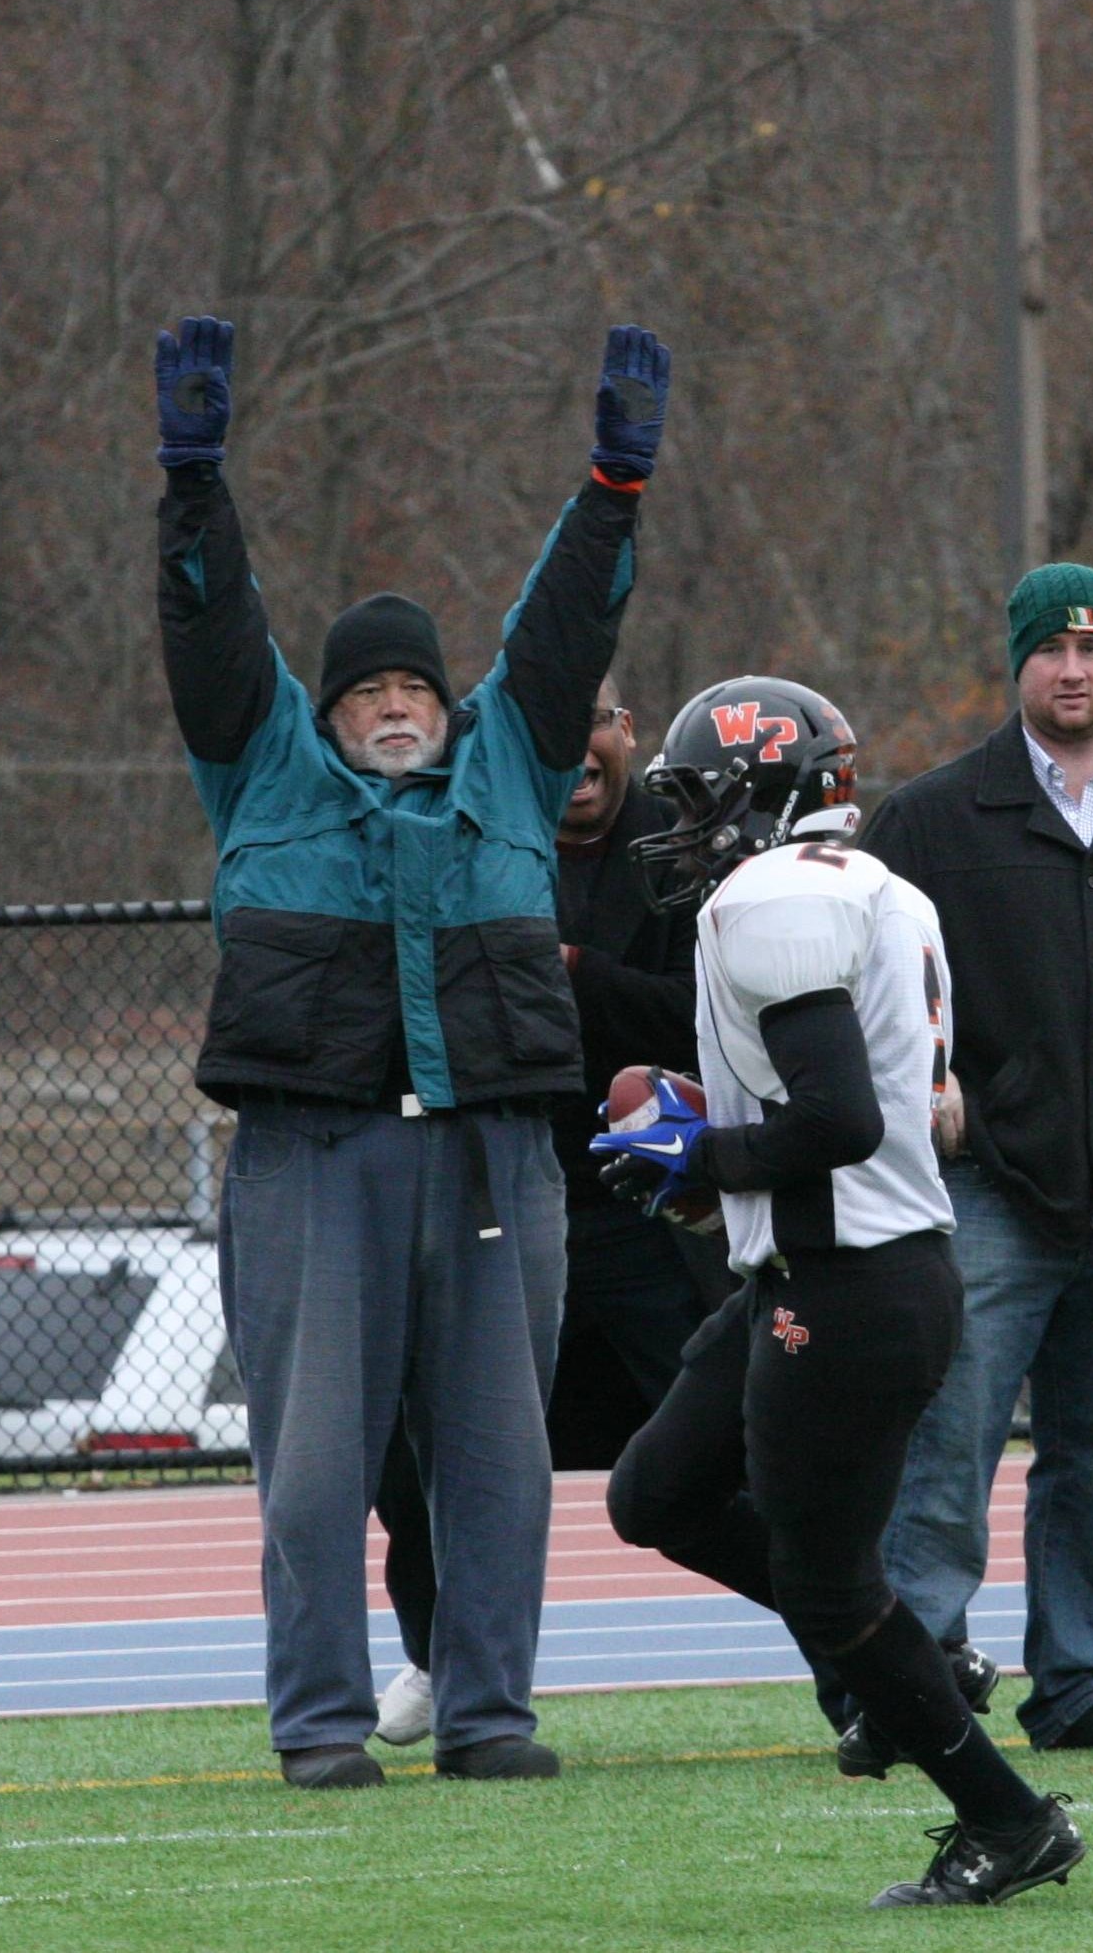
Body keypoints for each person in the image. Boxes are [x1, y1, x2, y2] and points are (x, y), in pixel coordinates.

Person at [154, 313, 669, 1789]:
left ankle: (490, 1716)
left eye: (415, 689)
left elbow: (565, 627)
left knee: (499, 1466)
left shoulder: (508, 760)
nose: (396, 705)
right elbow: (208, 630)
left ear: (453, 711)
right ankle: (319, 1726)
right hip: (316, 1155)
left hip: (498, 1149)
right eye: (369, 691)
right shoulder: (263, 767)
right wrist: (191, 486)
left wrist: (613, 489)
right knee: (315, 1473)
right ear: (323, 716)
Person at [596, 678, 1084, 1909]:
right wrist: (720, 1159)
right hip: (828, 1270)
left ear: (762, 792)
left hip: (854, 1282)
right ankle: (915, 1660)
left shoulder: (775, 898)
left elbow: (838, 1118)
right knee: (656, 1490)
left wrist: (692, 1157)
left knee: (830, 1585)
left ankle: (1008, 1819)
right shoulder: (877, 888)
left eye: (703, 799)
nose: (688, 828)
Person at [850, 564, 1093, 1763]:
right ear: (1017, 665)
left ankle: (1081, 1684)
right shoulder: (930, 820)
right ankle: (906, 1691)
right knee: (943, 1449)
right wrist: (924, 1087)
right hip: (984, 1200)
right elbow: (872, 988)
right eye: (1049, 649)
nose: (1071, 669)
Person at [368, 676, 731, 1746]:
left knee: (734, 1435)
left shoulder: (686, 851)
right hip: (497, 1187)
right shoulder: (464, 838)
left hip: (650, 1198)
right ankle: (442, 1654)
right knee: (424, 1439)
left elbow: (707, 1016)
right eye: (547, 734)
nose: (577, 752)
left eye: (597, 725)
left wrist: (572, 973)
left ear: (627, 732)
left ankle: (856, 1662)